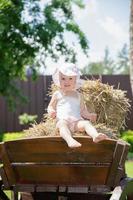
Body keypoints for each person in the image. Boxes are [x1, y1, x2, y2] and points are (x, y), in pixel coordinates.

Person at [47, 63, 108, 148]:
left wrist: (89, 115)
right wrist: (51, 111)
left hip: (76, 122)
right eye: (63, 78)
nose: (66, 81)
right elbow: (50, 106)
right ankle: (70, 140)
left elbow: (83, 111)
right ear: (59, 80)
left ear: (75, 81)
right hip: (63, 120)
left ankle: (95, 135)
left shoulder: (79, 95)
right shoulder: (57, 94)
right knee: (62, 125)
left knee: (86, 123)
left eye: (70, 78)